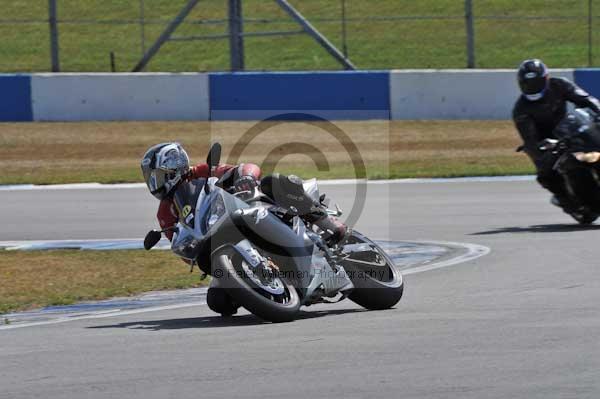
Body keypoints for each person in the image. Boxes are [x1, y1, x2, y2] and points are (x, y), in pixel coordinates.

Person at [512, 58, 600, 212]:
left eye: (536, 83)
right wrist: (538, 147)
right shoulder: (521, 110)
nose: (532, 88)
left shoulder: (560, 84)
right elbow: (530, 139)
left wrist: (598, 111)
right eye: (528, 84)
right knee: (546, 172)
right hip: (547, 143)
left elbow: (586, 99)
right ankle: (565, 198)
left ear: (546, 78)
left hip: (571, 129)